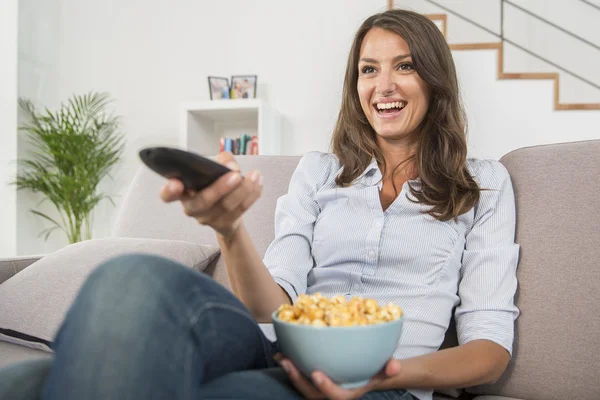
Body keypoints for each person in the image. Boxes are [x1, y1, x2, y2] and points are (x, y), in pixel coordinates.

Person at [0, 9, 519, 400]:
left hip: (388, 385)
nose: (382, 85)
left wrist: (386, 375)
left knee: (33, 381)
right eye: (368, 70)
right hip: (278, 347)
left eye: (403, 66)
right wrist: (228, 229)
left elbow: (490, 353)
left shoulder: (484, 186)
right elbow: (272, 307)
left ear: (434, 79)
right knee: (129, 278)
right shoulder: (320, 172)